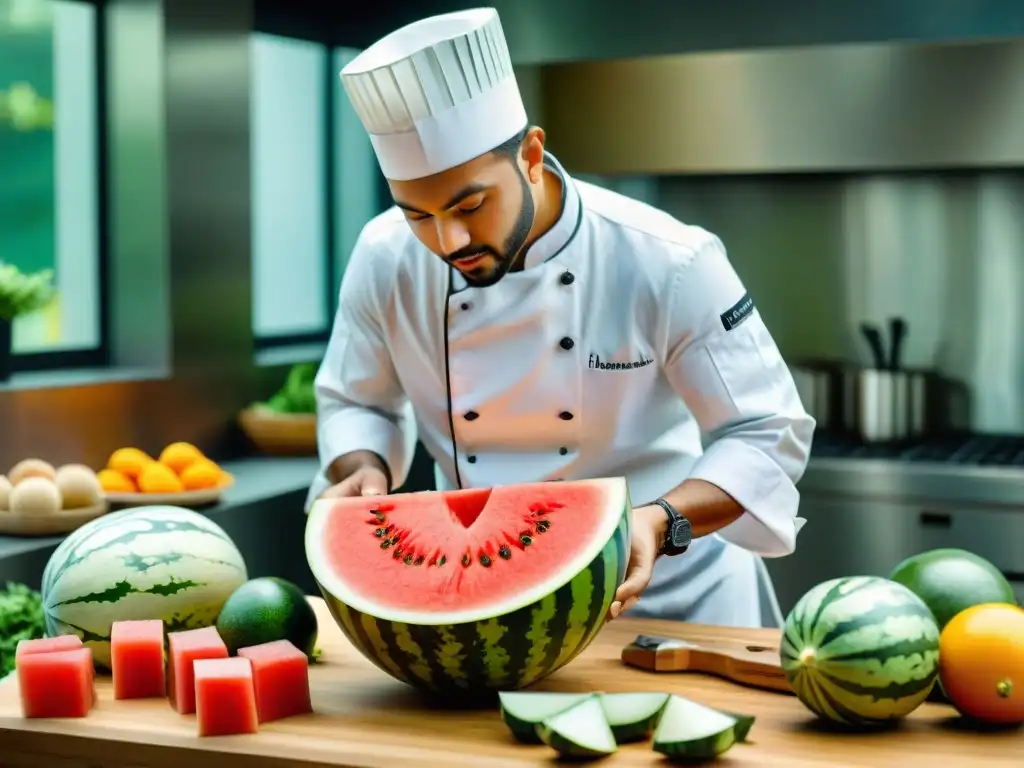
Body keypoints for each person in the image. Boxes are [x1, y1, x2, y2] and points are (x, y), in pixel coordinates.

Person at [305, 7, 816, 628]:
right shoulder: (385, 257)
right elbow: (357, 400)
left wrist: (662, 520)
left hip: (672, 599)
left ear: (531, 153)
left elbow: (766, 430)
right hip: (480, 598)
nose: (447, 238)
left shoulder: (668, 258)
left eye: (471, 203)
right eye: (418, 214)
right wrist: (363, 468)